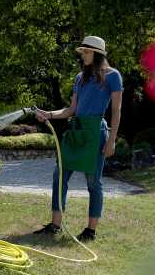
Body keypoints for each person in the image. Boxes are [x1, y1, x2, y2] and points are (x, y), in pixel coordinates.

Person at [33, 36, 123, 241]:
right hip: (77, 131)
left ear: (98, 54)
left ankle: (90, 231)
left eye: (87, 52)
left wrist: (112, 140)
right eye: (82, 52)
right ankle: (55, 225)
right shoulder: (79, 77)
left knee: (93, 183)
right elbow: (71, 109)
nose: (83, 56)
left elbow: (117, 111)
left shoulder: (113, 76)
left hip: (96, 133)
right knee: (60, 176)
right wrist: (48, 114)